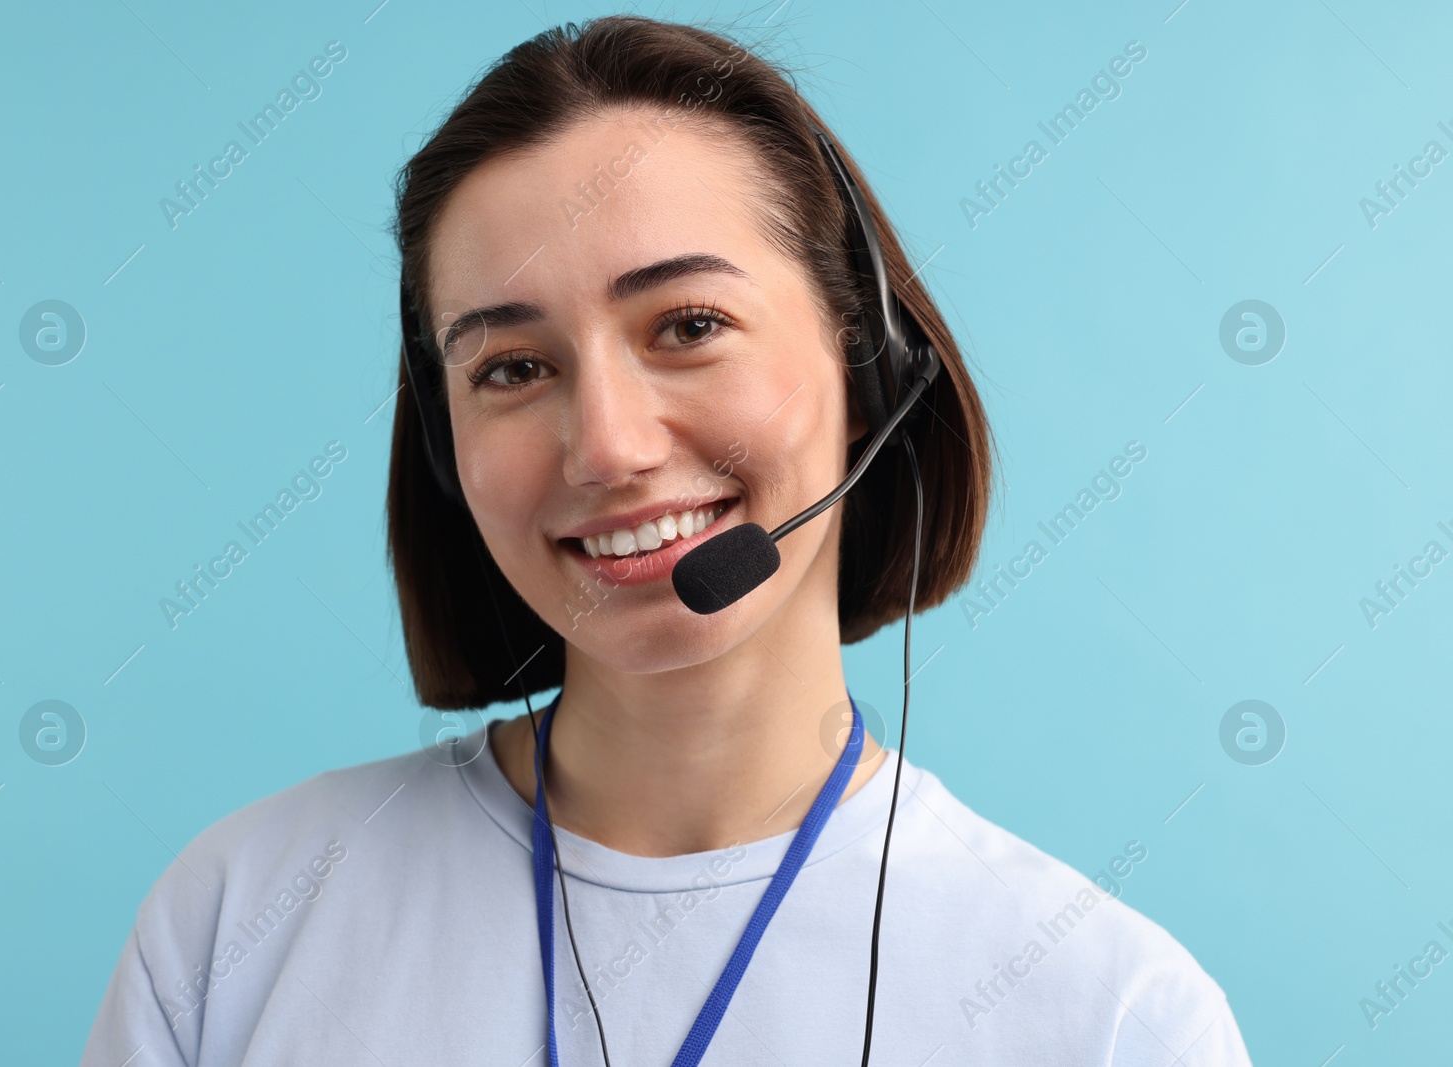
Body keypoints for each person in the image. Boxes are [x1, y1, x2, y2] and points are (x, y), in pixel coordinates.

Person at [80, 15, 1252, 1066]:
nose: (606, 446)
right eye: (514, 367)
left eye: (688, 324)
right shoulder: (239, 917)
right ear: (445, 448)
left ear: (870, 366)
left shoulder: (1109, 1013)